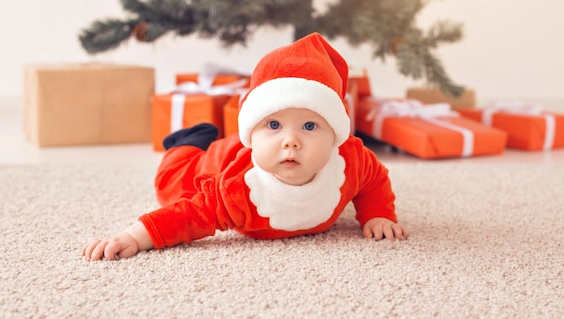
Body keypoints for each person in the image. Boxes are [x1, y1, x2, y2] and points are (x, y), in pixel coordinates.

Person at [82, 32, 409, 261]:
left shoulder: (351, 160)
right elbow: (189, 215)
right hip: (219, 160)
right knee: (170, 187)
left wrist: (378, 214)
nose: (290, 141)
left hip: (241, 146)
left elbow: (375, 179)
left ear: (336, 135)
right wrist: (134, 237)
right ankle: (190, 141)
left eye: (310, 126)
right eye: (274, 125)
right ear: (254, 131)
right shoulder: (239, 189)